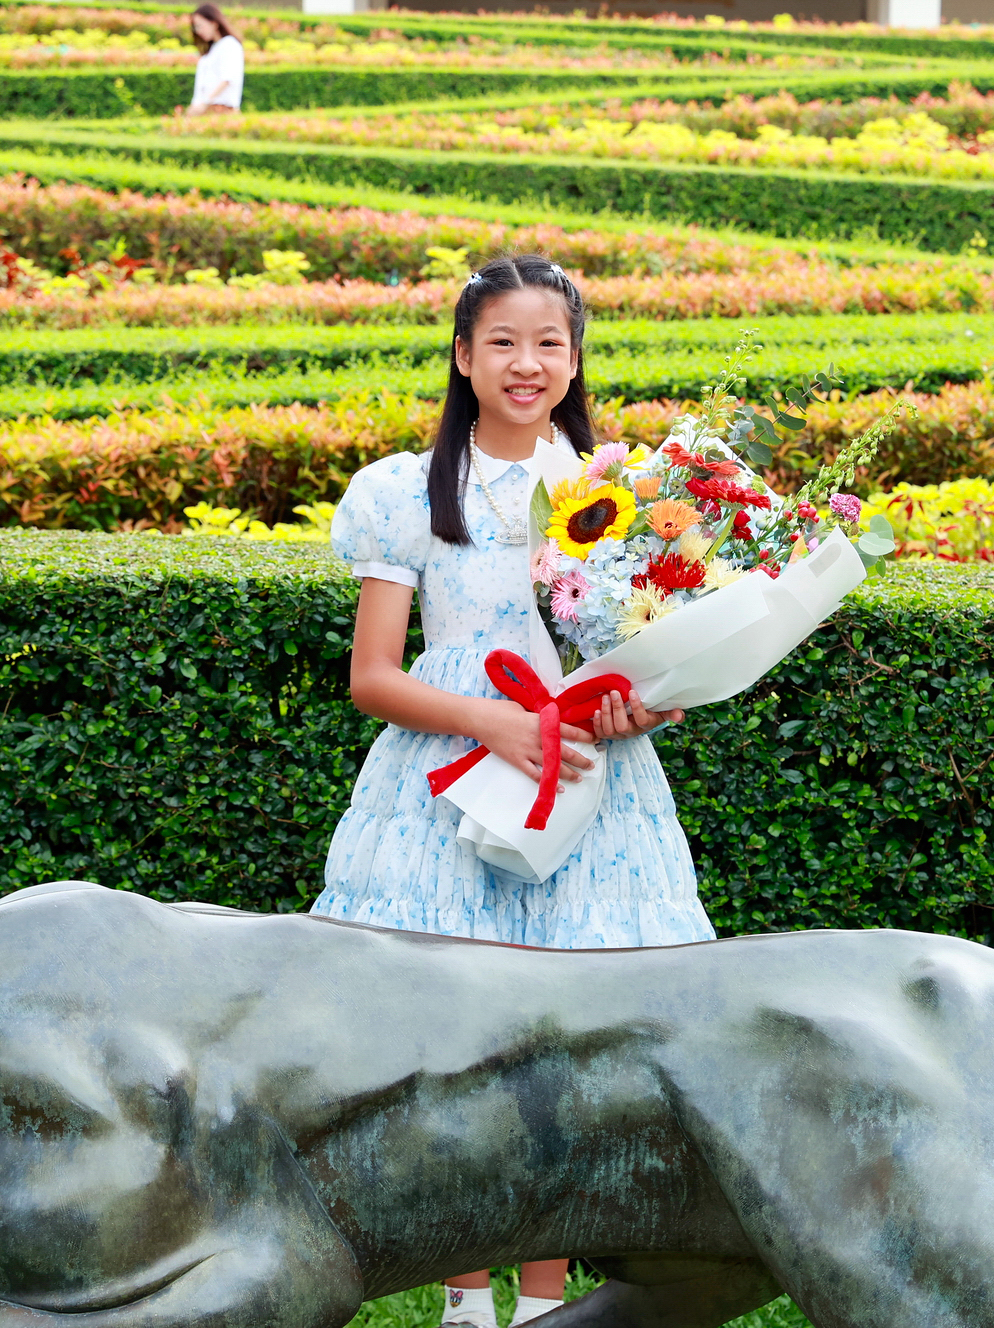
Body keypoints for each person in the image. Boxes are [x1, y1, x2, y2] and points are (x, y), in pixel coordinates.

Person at [310, 254, 716, 1328]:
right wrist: (492, 721)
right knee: (448, 1039)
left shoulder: (622, 490)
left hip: (585, 777)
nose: (526, 363)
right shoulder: (405, 492)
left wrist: (640, 709)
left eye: (548, 343)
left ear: (574, 361)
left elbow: (650, 658)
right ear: (462, 356)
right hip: (446, 783)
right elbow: (372, 676)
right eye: (502, 341)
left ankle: (541, 1298)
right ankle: (461, 1294)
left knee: (570, 1037)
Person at [185, 3, 243, 115]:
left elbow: (228, 78)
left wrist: (205, 103)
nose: (198, 31)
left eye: (200, 26)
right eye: (195, 27)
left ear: (213, 23)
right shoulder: (213, 49)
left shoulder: (229, 44)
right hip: (205, 110)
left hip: (221, 110)